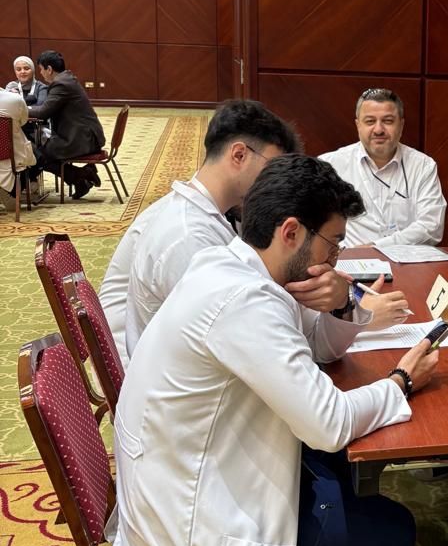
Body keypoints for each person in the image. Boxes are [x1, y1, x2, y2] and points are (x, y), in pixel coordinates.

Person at [108, 154, 439, 546]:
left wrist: (337, 300)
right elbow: (328, 421)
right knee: (393, 530)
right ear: (291, 232)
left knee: (331, 473)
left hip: (178, 477)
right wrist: (401, 382)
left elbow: (314, 351)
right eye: (333, 245)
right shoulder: (246, 301)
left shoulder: (230, 265)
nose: (336, 260)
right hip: (194, 514)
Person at [100, 99, 411, 366]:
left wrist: (339, 303)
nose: (278, 183)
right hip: (160, 381)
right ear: (239, 155)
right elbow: (269, 346)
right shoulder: (188, 237)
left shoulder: (227, 215)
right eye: (273, 168)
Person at [320, 88, 446, 248]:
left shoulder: (423, 166)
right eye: (370, 121)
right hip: (348, 259)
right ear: (358, 125)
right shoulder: (330, 165)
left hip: (406, 260)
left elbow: (432, 226)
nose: (378, 130)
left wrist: (376, 247)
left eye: (388, 121)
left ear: (401, 125)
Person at [27, 50, 105, 199]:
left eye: (41, 69)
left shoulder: (61, 84)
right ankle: (81, 178)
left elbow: (43, 112)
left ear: (49, 69)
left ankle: (81, 176)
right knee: (39, 153)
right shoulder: (67, 78)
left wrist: (21, 109)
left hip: (81, 140)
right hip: (83, 136)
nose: (41, 73)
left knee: (37, 155)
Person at [0, 86, 36, 211]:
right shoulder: (15, 99)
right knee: (37, 156)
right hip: (10, 156)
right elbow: (23, 121)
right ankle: (11, 192)